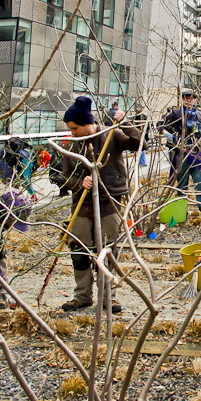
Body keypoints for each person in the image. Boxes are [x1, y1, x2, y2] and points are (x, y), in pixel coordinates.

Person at [61, 96, 142, 312]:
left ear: (87, 123)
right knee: (78, 252)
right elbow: (65, 176)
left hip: (109, 203)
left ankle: (108, 298)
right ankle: (82, 297)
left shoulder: (111, 135)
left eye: (75, 128)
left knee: (107, 252)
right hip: (81, 205)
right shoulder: (72, 145)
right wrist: (79, 182)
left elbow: (138, 143)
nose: (73, 132)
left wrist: (125, 122)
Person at [161, 91, 201, 222]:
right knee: (182, 185)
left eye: (191, 98)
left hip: (196, 154)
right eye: (186, 98)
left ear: (195, 100)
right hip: (181, 154)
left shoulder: (199, 115)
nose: (189, 101)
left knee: (200, 183)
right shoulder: (175, 114)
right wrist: (169, 136)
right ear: (182, 99)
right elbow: (160, 125)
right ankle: (181, 213)